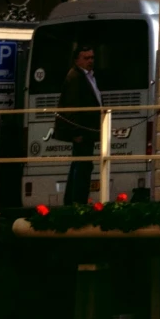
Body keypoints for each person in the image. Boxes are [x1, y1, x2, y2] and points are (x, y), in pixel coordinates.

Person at [51, 44, 104, 205]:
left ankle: (73, 201)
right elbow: (71, 106)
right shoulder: (75, 77)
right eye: (86, 58)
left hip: (88, 129)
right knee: (82, 166)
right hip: (82, 131)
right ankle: (77, 202)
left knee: (81, 165)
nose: (90, 61)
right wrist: (76, 132)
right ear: (77, 60)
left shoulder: (88, 76)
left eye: (92, 57)